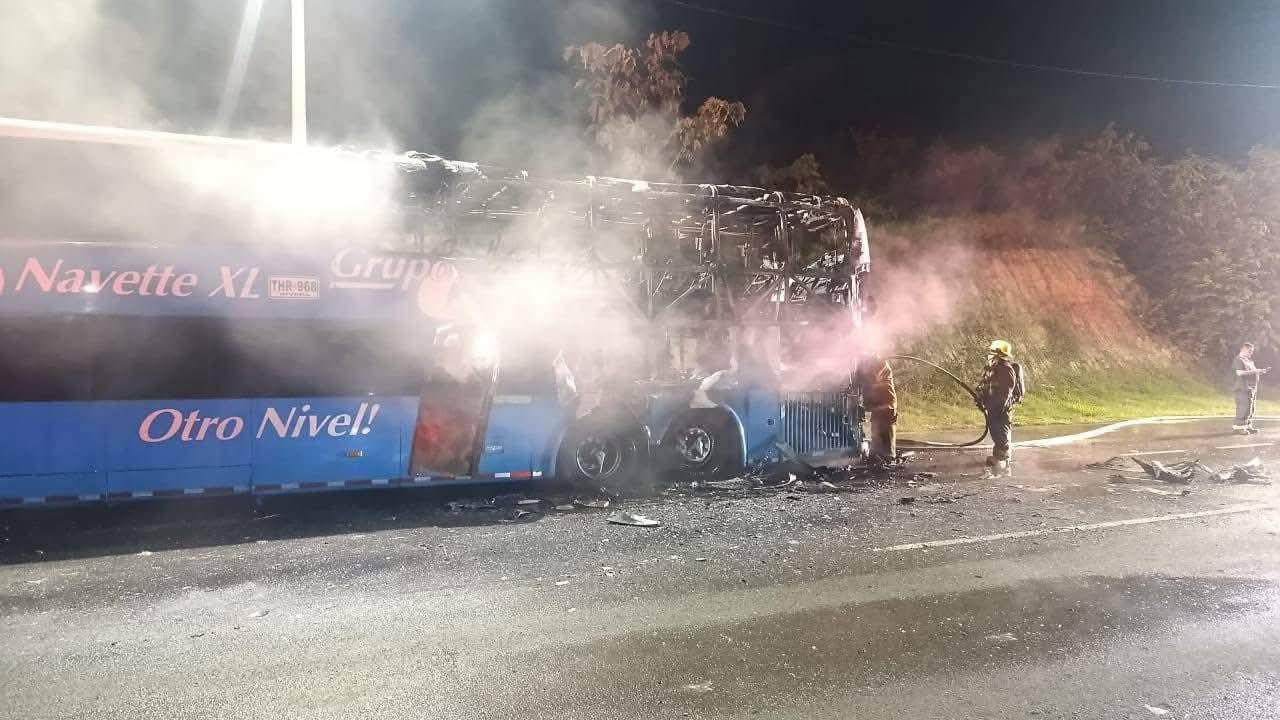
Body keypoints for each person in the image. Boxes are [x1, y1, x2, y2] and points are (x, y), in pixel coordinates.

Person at [975, 340, 1022, 472]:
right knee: (995, 432)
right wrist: (981, 398)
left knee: (1001, 432)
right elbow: (987, 386)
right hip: (993, 406)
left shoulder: (1006, 369)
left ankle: (1003, 461)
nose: (990, 354)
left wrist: (998, 407)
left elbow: (1006, 391)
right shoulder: (994, 368)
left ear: (1000, 354)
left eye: (993, 351)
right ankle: (998, 457)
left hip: (1001, 408)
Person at [855, 355, 897, 463]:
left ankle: (888, 457)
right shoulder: (868, 365)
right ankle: (877, 455)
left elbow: (873, 379)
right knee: (876, 427)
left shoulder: (880, 364)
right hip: (877, 404)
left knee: (885, 427)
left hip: (886, 404)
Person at [1232, 342, 1269, 435]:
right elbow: (1239, 373)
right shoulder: (1238, 360)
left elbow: (1252, 372)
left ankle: (1247, 426)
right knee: (1243, 408)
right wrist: (1255, 371)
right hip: (1242, 387)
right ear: (1243, 349)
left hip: (1251, 388)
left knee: (1250, 408)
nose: (1251, 353)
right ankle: (1238, 427)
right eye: (1249, 351)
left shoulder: (1249, 361)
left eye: (1252, 351)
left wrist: (1260, 372)